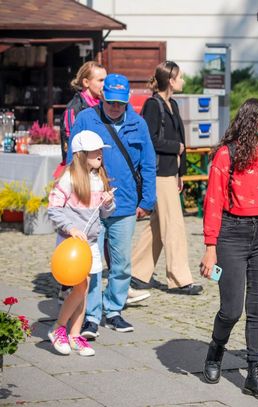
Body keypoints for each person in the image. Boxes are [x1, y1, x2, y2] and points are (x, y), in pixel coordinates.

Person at [199, 99, 258, 400]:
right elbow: (213, 201)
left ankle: (254, 373)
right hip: (231, 234)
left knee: (257, 309)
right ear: (252, 121)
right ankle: (216, 348)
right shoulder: (227, 154)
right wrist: (210, 247)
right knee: (231, 310)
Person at [68, 73, 157, 338]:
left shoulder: (138, 123)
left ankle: (114, 310)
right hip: (91, 204)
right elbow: (73, 159)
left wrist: (147, 200)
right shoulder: (86, 119)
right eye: (111, 102)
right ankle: (91, 315)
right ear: (102, 97)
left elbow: (148, 164)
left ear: (127, 100)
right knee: (92, 263)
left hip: (125, 203)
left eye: (120, 103)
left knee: (121, 263)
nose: (116, 107)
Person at [129, 61, 203, 299]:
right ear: (170, 80)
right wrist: (175, 147)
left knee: (158, 226)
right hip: (158, 173)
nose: (183, 80)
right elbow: (149, 140)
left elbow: (180, 140)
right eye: (179, 77)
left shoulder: (173, 104)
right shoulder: (153, 105)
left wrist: (181, 173)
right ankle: (179, 279)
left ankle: (137, 273)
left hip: (170, 173)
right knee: (174, 226)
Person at [47, 131, 115, 356]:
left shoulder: (98, 177)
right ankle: (58, 328)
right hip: (72, 243)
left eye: (100, 150)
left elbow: (104, 214)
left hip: (90, 243)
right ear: (81, 154)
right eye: (95, 151)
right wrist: (71, 228)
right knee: (81, 287)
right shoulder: (69, 178)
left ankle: (75, 335)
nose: (100, 154)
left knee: (84, 289)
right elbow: (54, 209)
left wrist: (108, 202)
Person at [57, 61, 107, 304]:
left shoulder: (102, 106)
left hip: (94, 176)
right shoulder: (74, 108)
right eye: (100, 80)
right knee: (74, 230)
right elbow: (70, 146)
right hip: (77, 177)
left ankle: (84, 287)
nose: (104, 85)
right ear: (86, 82)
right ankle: (67, 286)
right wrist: (76, 176)